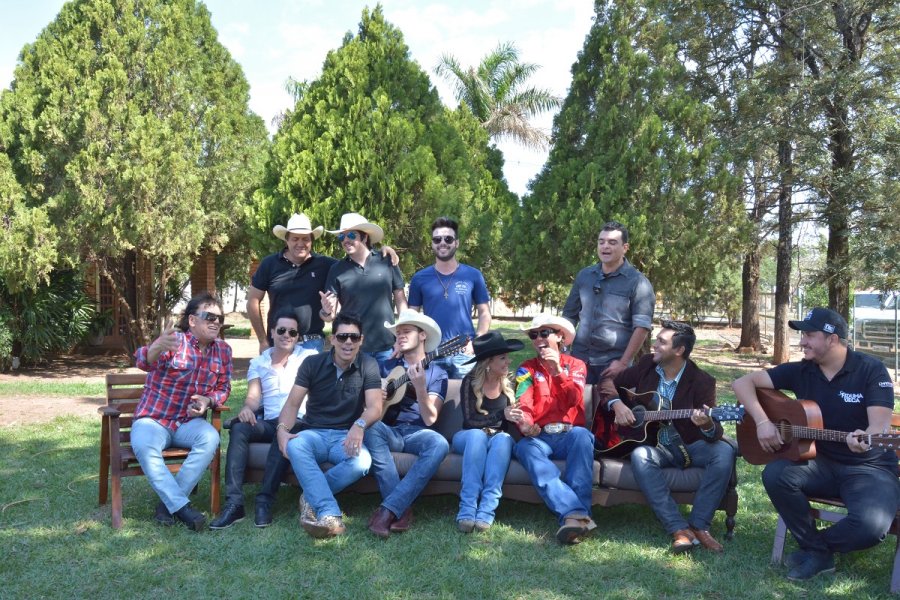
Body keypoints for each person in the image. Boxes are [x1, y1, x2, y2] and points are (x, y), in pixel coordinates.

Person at [732, 307, 899, 582]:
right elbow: (742, 383)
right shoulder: (803, 371)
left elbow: (878, 428)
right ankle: (818, 552)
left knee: (870, 527)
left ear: (832, 339)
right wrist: (762, 422)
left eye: (809, 335)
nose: (802, 342)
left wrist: (864, 439)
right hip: (821, 463)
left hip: (869, 468)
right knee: (776, 475)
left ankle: (815, 549)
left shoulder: (870, 370)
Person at [602, 321, 734, 553]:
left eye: (661, 342)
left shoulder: (702, 381)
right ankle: (678, 529)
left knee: (724, 451)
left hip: (688, 445)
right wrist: (617, 405)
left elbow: (716, 432)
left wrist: (706, 423)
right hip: (654, 446)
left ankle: (699, 525)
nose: (654, 345)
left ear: (679, 350)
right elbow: (607, 381)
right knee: (640, 455)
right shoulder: (647, 365)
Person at [275, 313, 383, 538]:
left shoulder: (368, 364)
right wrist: (282, 431)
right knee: (295, 446)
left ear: (361, 340)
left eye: (354, 337)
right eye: (342, 337)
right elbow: (292, 404)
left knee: (362, 461)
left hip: (345, 435)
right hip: (314, 433)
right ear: (332, 339)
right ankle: (329, 514)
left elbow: (375, 406)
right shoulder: (312, 363)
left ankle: (310, 497)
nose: (348, 342)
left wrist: (359, 425)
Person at [130, 292, 232, 531]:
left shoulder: (223, 350)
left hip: (188, 422)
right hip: (154, 420)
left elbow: (224, 387)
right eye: (209, 316)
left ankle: (167, 507)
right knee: (145, 445)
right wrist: (156, 347)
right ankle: (181, 508)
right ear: (192, 320)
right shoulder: (175, 342)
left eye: (220, 318)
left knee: (210, 438)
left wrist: (208, 400)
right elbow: (144, 361)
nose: (216, 322)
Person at [209, 309, 316, 530]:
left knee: (284, 430)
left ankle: (264, 500)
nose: (287, 335)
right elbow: (253, 398)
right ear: (272, 332)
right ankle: (234, 503)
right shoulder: (259, 362)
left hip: (299, 421)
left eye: (293, 332)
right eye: (282, 330)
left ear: (298, 336)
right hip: (268, 421)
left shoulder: (308, 358)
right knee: (239, 428)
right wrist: (247, 409)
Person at [248, 213, 397, 355]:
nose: (300, 243)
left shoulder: (326, 265)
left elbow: (356, 264)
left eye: (305, 239)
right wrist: (262, 341)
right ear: (286, 240)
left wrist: (383, 251)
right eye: (295, 239)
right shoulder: (269, 264)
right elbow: (253, 300)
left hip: (311, 344)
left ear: (312, 241)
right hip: (280, 339)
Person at [365, 310, 450, 537]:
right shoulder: (385, 368)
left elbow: (430, 419)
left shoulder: (437, 372)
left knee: (439, 444)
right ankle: (401, 510)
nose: (400, 335)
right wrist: (377, 398)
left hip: (417, 432)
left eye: (407, 331)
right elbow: (367, 408)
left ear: (423, 335)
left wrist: (420, 388)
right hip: (388, 430)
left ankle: (388, 510)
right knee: (369, 427)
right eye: (398, 332)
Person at [513, 314, 595, 544]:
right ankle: (577, 516)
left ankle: (575, 520)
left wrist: (558, 371)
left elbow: (574, 399)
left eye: (544, 333)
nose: (538, 338)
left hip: (570, 433)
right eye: (534, 335)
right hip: (540, 435)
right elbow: (523, 402)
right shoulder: (526, 368)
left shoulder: (576, 365)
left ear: (560, 337)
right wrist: (525, 424)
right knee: (525, 448)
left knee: (582, 437)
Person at [562, 221, 654, 384]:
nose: (605, 246)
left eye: (612, 242)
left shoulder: (638, 282)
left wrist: (623, 363)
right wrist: (563, 350)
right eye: (601, 242)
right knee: (575, 401)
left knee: (609, 401)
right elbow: (569, 316)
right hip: (578, 360)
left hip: (612, 365)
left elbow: (641, 327)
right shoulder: (584, 276)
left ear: (625, 247)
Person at [452, 331, 524, 532]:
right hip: (469, 436)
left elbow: (515, 418)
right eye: (503, 358)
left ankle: (486, 511)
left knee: (503, 439)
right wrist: (501, 414)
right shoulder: (470, 381)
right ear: (488, 362)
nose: (508, 361)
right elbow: (470, 421)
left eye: (507, 357)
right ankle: (467, 510)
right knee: (477, 435)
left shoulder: (510, 382)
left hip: (497, 438)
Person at [408, 216, 491, 378]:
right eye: (437, 239)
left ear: (456, 243)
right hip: (432, 353)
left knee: (465, 395)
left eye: (448, 239)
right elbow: (412, 317)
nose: (442, 243)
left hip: (464, 353)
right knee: (432, 394)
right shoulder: (419, 278)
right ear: (432, 243)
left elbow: (484, 312)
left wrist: (477, 341)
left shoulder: (473, 275)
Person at [321, 212, 407, 367]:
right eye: (342, 236)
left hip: (387, 347)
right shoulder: (336, 269)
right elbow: (329, 315)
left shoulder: (386, 260)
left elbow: (401, 301)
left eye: (351, 235)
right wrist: (326, 311)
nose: (345, 240)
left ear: (365, 237)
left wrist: (403, 338)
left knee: (393, 384)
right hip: (353, 350)